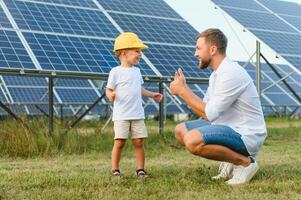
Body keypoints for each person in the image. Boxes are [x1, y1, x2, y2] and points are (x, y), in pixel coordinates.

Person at [170, 28, 267, 185]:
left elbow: (209, 113)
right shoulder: (216, 74)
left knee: (192, 140)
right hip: (227, 127)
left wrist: (183, 91)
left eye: (198, 48)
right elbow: (205, 112)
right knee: (181, 130)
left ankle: (245, 163)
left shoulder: (231, 73)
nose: (195, 53)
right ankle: (231, 161)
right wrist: (184, 91)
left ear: (213, 49)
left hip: (245, 134)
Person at [106, 32, 163, 177]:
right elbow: (108, 89)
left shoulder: (137, 71)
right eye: (137, 51)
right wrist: (111, 95)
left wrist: (152, 94)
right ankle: (115, 170)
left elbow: (140, 89)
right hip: (122, 116)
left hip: (137, 114)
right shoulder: (115, 72)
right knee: (120, 142)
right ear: (124, 53)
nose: (140, 54)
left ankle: (140, 169)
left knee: (138, 142)